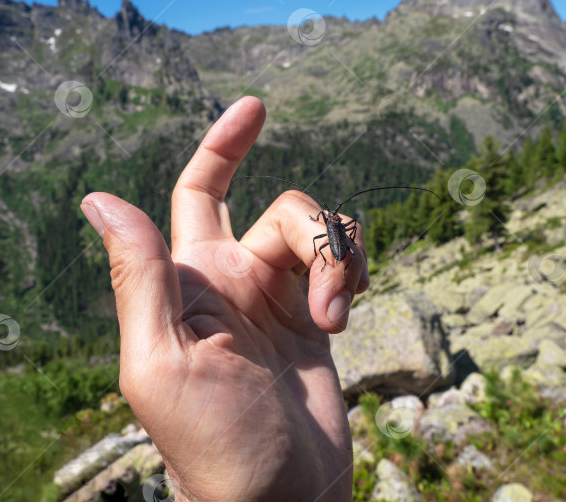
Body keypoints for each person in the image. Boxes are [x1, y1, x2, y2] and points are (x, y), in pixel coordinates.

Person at [80, 96, 368, 501]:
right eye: (330, 217)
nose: (329, 220)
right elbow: (330, 240)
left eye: (330, 217)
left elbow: (328, 242)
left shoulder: (327, 233)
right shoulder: (328, 231)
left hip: (332, 254)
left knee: (333, 248)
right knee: (335, 247)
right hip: (334, 254)